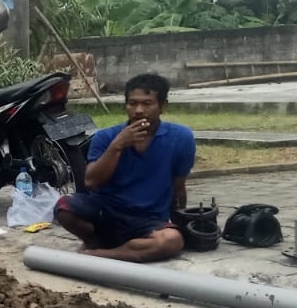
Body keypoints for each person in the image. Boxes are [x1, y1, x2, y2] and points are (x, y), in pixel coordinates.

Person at [54, 72, 195, 262]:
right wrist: (117, 145)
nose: (138, 110)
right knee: (63, 206)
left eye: (147, 104)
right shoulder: (106, 137)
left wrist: (179, 224)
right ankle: (101, 242)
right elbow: (91, 182)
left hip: (148, 219)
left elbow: (178, 187)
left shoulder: (181, 138)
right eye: (132, 103)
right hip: (107, 212)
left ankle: (100, 254)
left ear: (162, 106)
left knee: (172, 241)